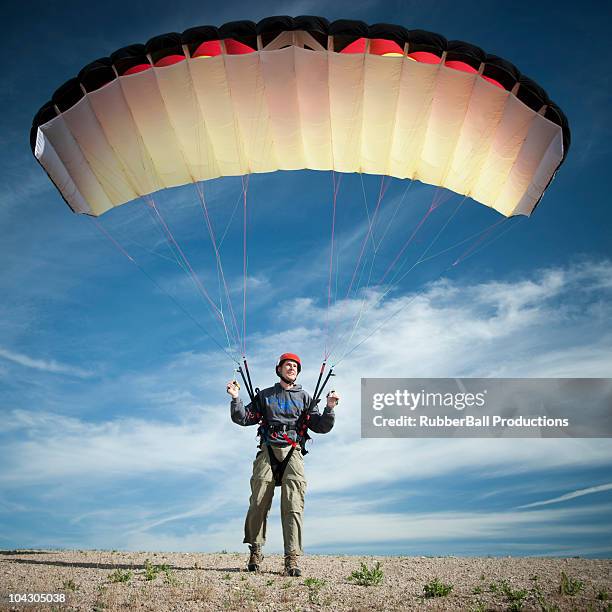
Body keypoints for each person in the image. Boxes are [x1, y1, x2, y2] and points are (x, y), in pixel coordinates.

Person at [227, 353, 339, 576]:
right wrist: (236, 398)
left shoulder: (305, 398)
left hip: (293, 451)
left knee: (293, 503)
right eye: (288, 365)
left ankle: (292, 558)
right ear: (279, 369)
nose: (292, 368)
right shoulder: (266, 396)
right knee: (258, 501)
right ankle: (255, 550)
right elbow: (244, 418)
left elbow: (321, 426)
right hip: (268, 449)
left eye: (295, 366)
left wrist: (329, 408)